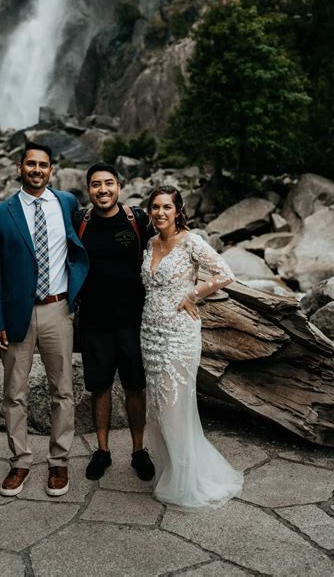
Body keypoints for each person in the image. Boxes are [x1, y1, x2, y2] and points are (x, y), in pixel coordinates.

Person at [0, 142, 88, 498]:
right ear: (19, 167)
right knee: (15, 392)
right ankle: (20, 461)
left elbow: (81, 245)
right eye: (31, 164)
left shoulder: (67, 203)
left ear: (51, 169)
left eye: (43, 164)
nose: (37, 170)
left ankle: (59, 460)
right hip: (18, 314)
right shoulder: (0, 214)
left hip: (59, 309)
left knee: (63, 390)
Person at [141, 185, 243, 508]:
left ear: (178, 211)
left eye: (166, 207)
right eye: (155, 207)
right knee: (157, 406)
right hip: (150, 333)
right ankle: (169, 469)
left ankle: (187, 480)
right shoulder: (151, 242)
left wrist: (193, 294)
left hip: (179, 334)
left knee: (174, 406)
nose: (160, 213)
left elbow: (226, 273)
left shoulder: (190, 242)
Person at [74, 163, 155, 482]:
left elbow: (168, 245)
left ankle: (138, 450)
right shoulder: (81, 220)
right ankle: (103, 450)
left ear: (119, 186)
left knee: (136, 387)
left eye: (108, 183)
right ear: (88, 189)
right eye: (96, 185)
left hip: (134, 322)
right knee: (100, 388)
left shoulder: (138, 220)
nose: (102, 190)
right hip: (93, 321)